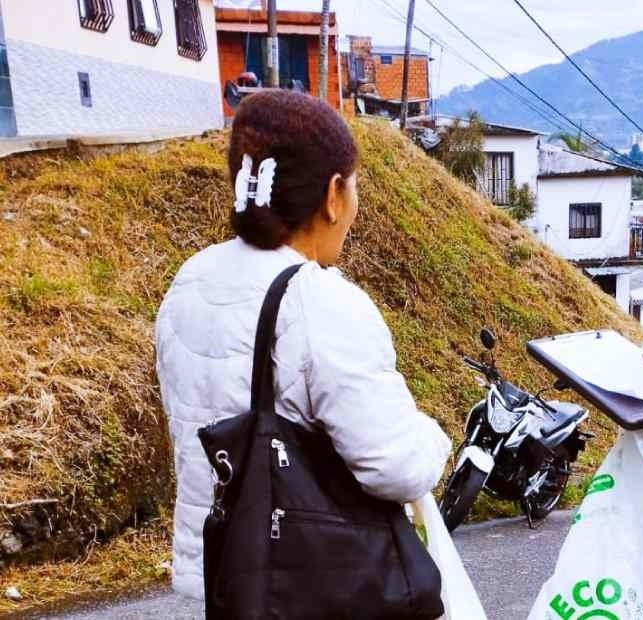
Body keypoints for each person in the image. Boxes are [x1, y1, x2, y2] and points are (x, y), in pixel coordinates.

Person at [154, 90, 451, 599]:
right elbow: (394, 467)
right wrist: (434, 436)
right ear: (333, 195)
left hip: (228, 572)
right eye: (354, 186)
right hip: (309, 581)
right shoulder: (320, 301)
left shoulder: (190, 280)